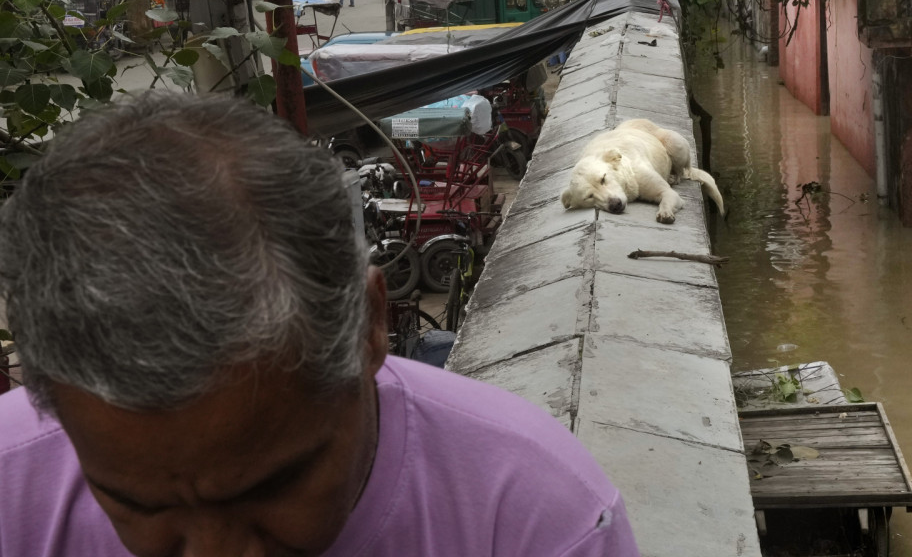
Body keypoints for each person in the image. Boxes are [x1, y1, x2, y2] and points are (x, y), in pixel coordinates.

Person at [0, 93, 641, 557]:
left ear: (368, 328)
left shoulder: (538, 524)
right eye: (143, 507)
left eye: (276, 485)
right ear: (49, 398)